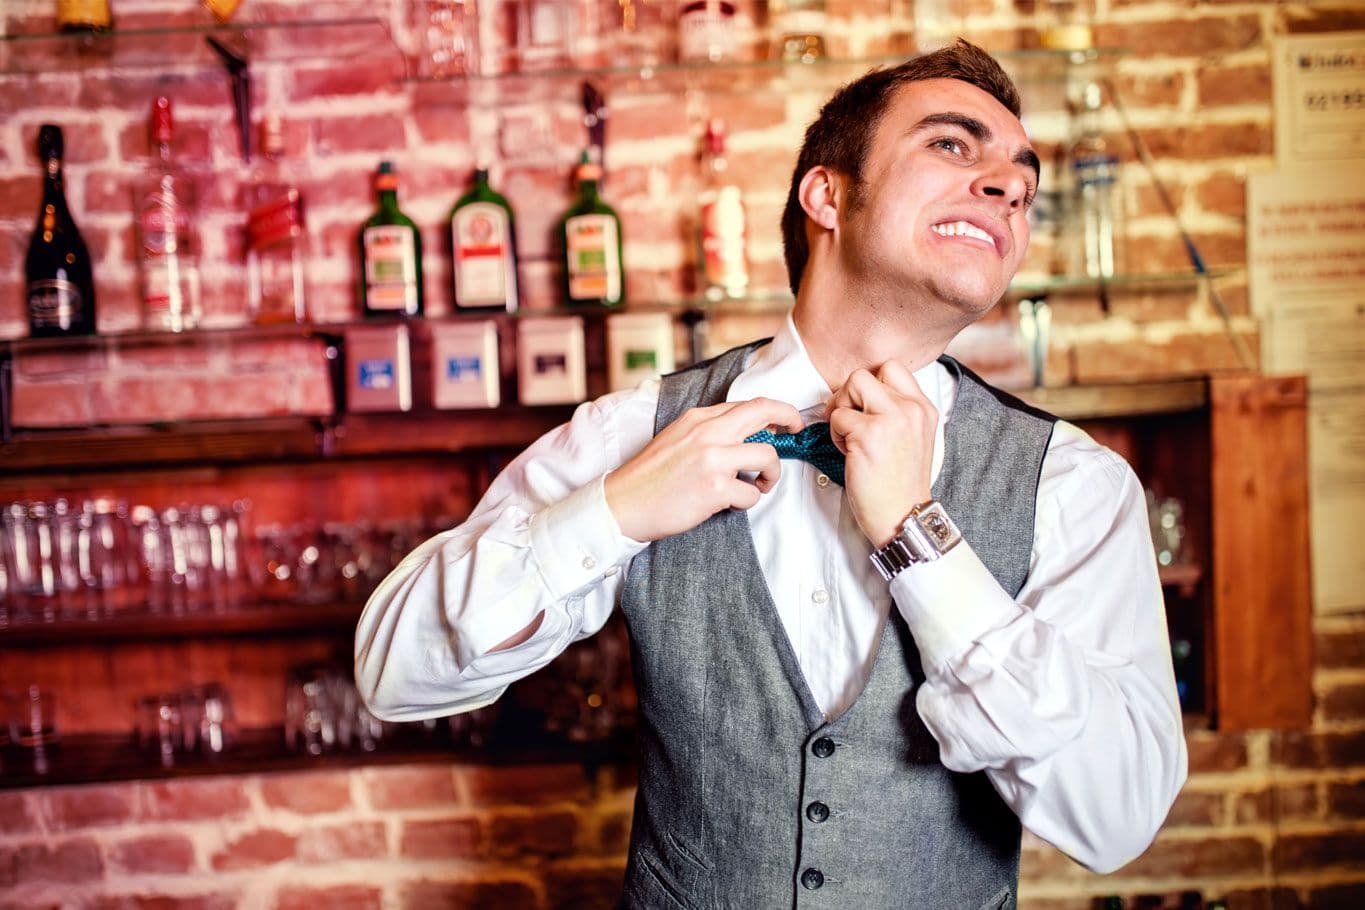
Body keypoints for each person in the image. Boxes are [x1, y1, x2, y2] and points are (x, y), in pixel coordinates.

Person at [355, 39, 1188, 908]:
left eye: (1022, 177)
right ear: (826, 195)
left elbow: (1120, 816)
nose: (1007, 184)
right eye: (950, 144)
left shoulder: (1072, 484)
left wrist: (918, 535)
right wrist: (614, 513)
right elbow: (393, 671)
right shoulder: (635, 431)